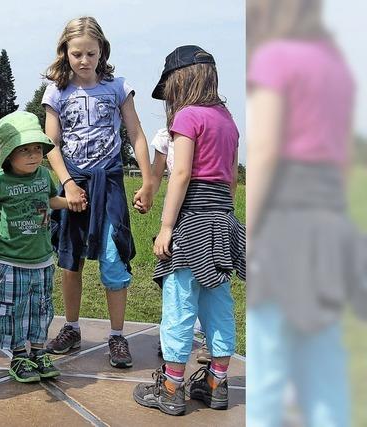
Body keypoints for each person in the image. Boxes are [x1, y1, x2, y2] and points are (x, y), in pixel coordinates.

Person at [246, 0, 361, 425]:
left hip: (285, 215)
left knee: (268, 358)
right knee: (324, 356)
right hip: (329, 213)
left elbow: (265, 148)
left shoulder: (275, 57)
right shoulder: (335, 64)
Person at [133, 45, 245, 416]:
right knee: (218, 303)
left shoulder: (187, 117)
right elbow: (230, 179)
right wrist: (224, 217)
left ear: (179, 82)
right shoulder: (228, 119)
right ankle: (216, 383)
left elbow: (180, 174)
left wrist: (167, 227)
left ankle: (171, 388)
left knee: (180, 304)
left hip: (193, 218)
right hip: (222, 219)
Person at [41, 16, 154, 369]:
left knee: (113, 256)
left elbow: (135, 134)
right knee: (69, 258)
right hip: (73, 184)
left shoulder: (118, 87)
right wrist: (68, 183)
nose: (84, 60)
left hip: (110, 184)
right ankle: (72, 328)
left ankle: (117, 336)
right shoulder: (55, 91)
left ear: (102, 51)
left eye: (91, 53)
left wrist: (148, 181)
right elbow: (50, 143)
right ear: (65, 53)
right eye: (77, 54)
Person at [0, 111, 75, 383]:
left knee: (41, 307)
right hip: (12, 260)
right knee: (13, 309)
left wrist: (71, 201)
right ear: (8, 154)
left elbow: (50, 201)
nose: (33, 155)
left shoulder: (44, 176)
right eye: (24, 150)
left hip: (43, 259)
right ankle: (18, 356)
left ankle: (38, 353)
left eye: (37, 148)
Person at [150, 128, 211, 365]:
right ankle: (174, 336)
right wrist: (148, 194)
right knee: (173, 283)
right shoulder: (165, 135)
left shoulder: (206, 127)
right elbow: (156, 174)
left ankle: (206, 337)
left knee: (206, 279)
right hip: (174, 216)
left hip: (203, 213)